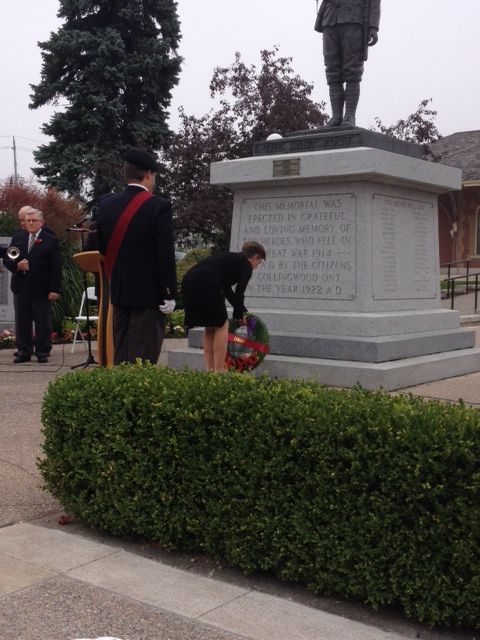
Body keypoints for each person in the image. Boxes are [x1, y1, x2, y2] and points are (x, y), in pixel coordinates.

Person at [96, 148, 177, 365]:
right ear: (149, 174)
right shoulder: (159, 206)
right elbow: (164, 253)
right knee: (143, 357)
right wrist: (169, 292)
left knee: (121, 354)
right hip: (148, 295)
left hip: (119, 291)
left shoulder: (106, 203)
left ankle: (121, 387)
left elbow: (101, 247)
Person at [182, 241, 266, 373]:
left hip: (189, 281)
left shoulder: (230, 260)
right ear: (254, 258)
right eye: (259, 263)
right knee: (222, 325)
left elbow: (228, 291)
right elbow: (239, 292)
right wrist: (238, 316)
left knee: (210, 326)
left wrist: (242, 312)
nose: (256, 267)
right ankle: (220, 370)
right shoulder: (245, 265)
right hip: (207, 283)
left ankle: (210, 370)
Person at [3, 208, 61, 363]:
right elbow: (8, 259)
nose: (30, 223)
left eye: (33, 220)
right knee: (22, 321)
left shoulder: (50, 240)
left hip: (41, 289)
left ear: (41, 222)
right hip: (21, 287)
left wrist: (54, 289)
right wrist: (17, 266)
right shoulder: (18, 238)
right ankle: (24, 351)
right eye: (27, 220)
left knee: (43, 322)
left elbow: (56, 267)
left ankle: (42, 351)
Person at [315, 0, 381, 127]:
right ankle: (336, 115)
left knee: (352, 70)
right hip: (330, 19)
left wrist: (373, 26)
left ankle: (350, 115)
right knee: (332, 70)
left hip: (354, 19)